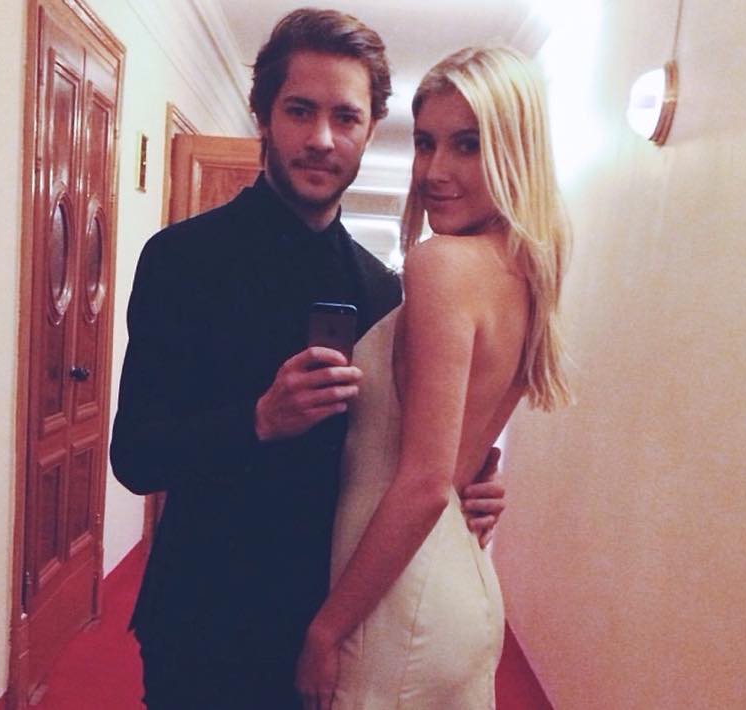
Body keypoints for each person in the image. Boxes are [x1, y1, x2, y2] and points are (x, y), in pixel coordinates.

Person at [109, 10, 505, 709]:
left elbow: (398, 456)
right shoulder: (182, 260)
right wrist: (258, 420)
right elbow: (135, 457)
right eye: (300, 110)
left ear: (370, 129)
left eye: (346, 117)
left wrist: (465, 481)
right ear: (263, 115)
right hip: (203, 617)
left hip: (335, 625)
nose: (323, 138)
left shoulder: (386, 292)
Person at [294, 45, 572, 709]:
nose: (435, 171)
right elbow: (456, 462)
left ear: (515, 150)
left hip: (397, 600)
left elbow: (423, 485)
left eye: (468, 145)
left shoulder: (442, 264)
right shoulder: (523, 273)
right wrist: (480, 479)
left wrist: (326, 630)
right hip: (451, 578)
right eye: (425, 143)